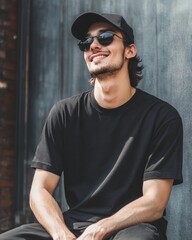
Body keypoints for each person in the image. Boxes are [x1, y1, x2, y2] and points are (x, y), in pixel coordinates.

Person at [0, 12, 183, 240]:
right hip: (73, 226)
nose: (93, 45)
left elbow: (155, 202)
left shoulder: (162, 117)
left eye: (105, 37)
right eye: (86, 42)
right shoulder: (64, 113)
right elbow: (40, 190)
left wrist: (103, 227)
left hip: (132, 227)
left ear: (130, 51)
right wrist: (60, 234)